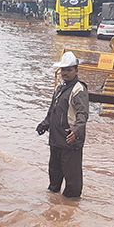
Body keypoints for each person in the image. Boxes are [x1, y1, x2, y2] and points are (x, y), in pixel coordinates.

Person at [36, 52, 89, 199]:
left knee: (72, 183)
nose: (65, 73)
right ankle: (53, 204)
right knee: (54, 176)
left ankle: (71, 208)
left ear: (76, 71)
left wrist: (76, 130)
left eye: (69, 70)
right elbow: (53, 111)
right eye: (63, 70)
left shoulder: (79, 90)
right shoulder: (60, 88)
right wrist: (44, 124)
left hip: (70, 141)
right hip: (55, 140)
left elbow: (82, 114)